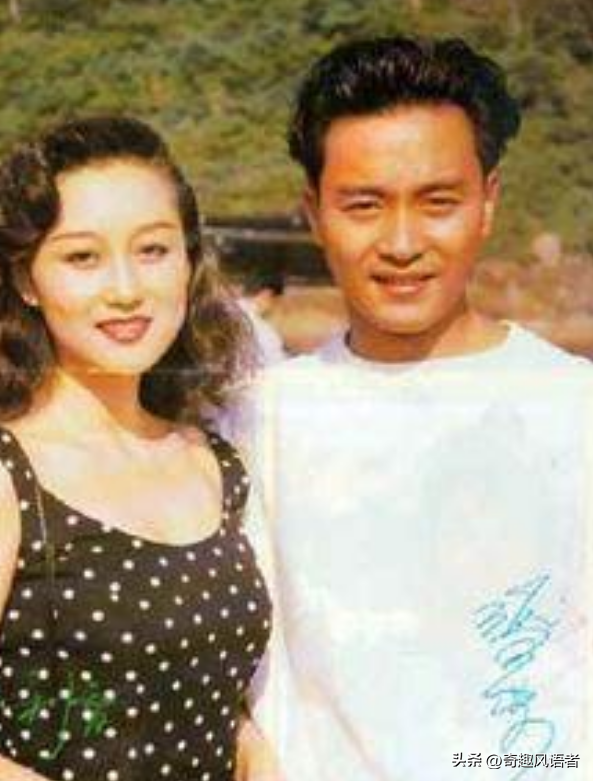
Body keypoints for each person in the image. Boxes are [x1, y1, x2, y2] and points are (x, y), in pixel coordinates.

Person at [239, 37, 592, 781]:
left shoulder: (573, 408)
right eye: (363, 205)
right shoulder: (257, 419)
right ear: (313, 214)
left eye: (437, 203)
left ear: (488, 202)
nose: (401, 243)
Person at [0, 116, 275, 781]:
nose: (125, 289)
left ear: (189, 261)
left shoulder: (215, 461)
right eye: (82, 257)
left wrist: (250, 745)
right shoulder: (0, 474)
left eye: (152, 250)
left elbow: (180, 686)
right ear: (26, 279)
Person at [235, 268, 287, 366]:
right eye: (277, 301)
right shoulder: (264, 331)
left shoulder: (220, 313)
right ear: (266, 294)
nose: (274, 308)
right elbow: (278, 368)